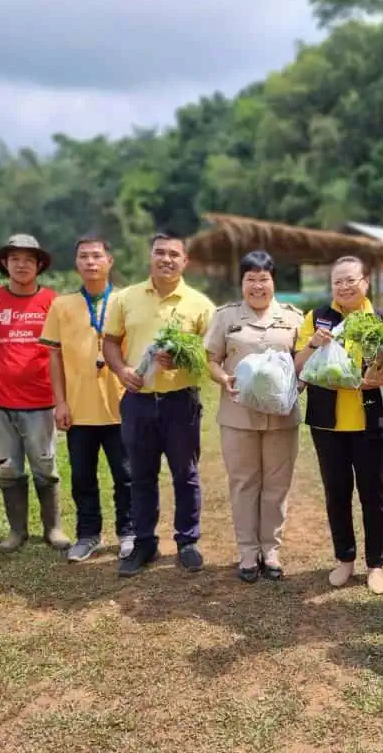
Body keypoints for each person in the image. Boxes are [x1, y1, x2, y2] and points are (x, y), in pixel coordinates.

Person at [102, 232, 215, 577]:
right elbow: (109, 342)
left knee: (186, 474)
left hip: (181, 402)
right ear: (150, 256)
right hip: (137, 400)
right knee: (141, 475)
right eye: (160, 253)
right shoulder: (125, 298)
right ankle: (144, 543)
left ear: (185, 261)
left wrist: (182, 360)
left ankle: (187, 541)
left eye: (174, 254)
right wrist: (121, 370)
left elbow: (210, 355)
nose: (166, 259)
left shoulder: (200, 304)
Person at [294, 256, 383, 595]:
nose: (344, 287)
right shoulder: (318, 317)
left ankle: (376, 564)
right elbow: (299, 367)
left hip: (370, 420)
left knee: (373, 494)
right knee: (337, 493)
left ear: (366, 281)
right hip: (328, 423)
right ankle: (345, 558)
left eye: (351, 280)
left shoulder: (380, 319)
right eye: (338, 281)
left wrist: (377, 377)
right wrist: (312, 344)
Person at [204, 251, 304, 582]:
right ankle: (248, 551)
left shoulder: (294, 318)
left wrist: (297, 385)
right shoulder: (225, 317)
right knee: (244, 482)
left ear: (274, 281)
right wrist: (223, 378)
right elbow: (212, 360)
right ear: (242, 282)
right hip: (238, 415)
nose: (257, 285)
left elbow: (303, 362)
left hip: (281, 417)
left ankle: (270, 549)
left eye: (264, 278)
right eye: (251, 278)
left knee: (277, 483)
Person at [40, 235, 134, 563]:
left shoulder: (125, 301)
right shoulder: (62, 305)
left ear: (110, 261)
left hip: (121, 406)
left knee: (127, 475)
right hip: (78, 409)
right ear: (76, 263)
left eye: (97, 256)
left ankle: (128, 531)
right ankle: (88, 534)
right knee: (82, 476)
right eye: (84, 256)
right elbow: (53, 357)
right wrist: (60, 402)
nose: (91, 262)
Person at [0, 234, 70, 552]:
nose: (21, 265)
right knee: (8, 468)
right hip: (1, 403)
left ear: (39, 266)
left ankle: (54, 529)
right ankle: (16, 531)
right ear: (5, 263)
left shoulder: (52, 301)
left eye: (29, 260)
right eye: (15, 259)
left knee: (45, 466)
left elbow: (62, 350)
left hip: (41, 400)